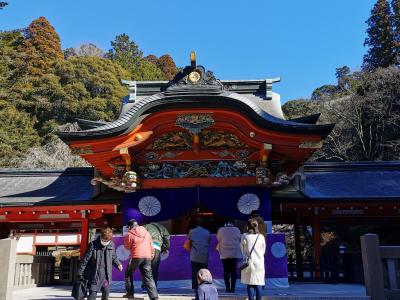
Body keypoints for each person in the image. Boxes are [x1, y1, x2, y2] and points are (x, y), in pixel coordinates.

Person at [76, 227, 123, 300]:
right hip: (94, 275)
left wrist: (118, 264)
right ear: (100, 237)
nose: (105, 242)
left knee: (106, 292)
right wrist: (80, 273)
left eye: (106, 241)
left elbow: (114, 257)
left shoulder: (111, 244)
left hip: (105, 275)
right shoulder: (93, 245)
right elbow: (85, 260)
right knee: (92, 295)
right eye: (103, 240)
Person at [123, 219, 158, 300]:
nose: (128, 229)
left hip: (135, 256)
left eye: (128, 227)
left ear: (130, 226)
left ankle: (130, 293)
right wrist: (151, 256)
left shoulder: (130, 234)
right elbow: (151, 246)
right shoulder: (147, 233)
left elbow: (127, 246)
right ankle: (154, 297)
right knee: (148, 277)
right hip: (147, 256)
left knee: (128, 274)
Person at [240, 219, 266, 300]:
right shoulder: (261, 236)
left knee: (250, 283)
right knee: (259, 283)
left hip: (249, 263)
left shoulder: (244, 236)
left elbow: (242, 249)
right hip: (259, 263)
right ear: (256, 226)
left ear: (247, 226)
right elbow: (263, 250)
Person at [216, 218, 241, 293]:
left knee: (226, 271)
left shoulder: (220, 229)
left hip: (224, 253)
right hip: (234, 252)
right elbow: (239, 238)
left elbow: (218, 239)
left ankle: (227, 287)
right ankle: (233, 288)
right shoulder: (236, 229)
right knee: (233, 271)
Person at [142, 222, 171, 288]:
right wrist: (166, 248)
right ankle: (153, 287)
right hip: (156, 247)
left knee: (145, 268)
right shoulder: (162, 227)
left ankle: (144, 286)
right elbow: (167, 239)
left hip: (146, 248)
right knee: (154, 268)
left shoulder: (145, 226)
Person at [188, 217, 211, 290]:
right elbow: (208, 242)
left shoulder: (192, 231)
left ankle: (195, 287)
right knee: (204, 272)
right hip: (204, 255)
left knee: (195, 272)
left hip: (194, 255)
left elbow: (189, 242)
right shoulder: (207, 232)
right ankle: (204, 287)